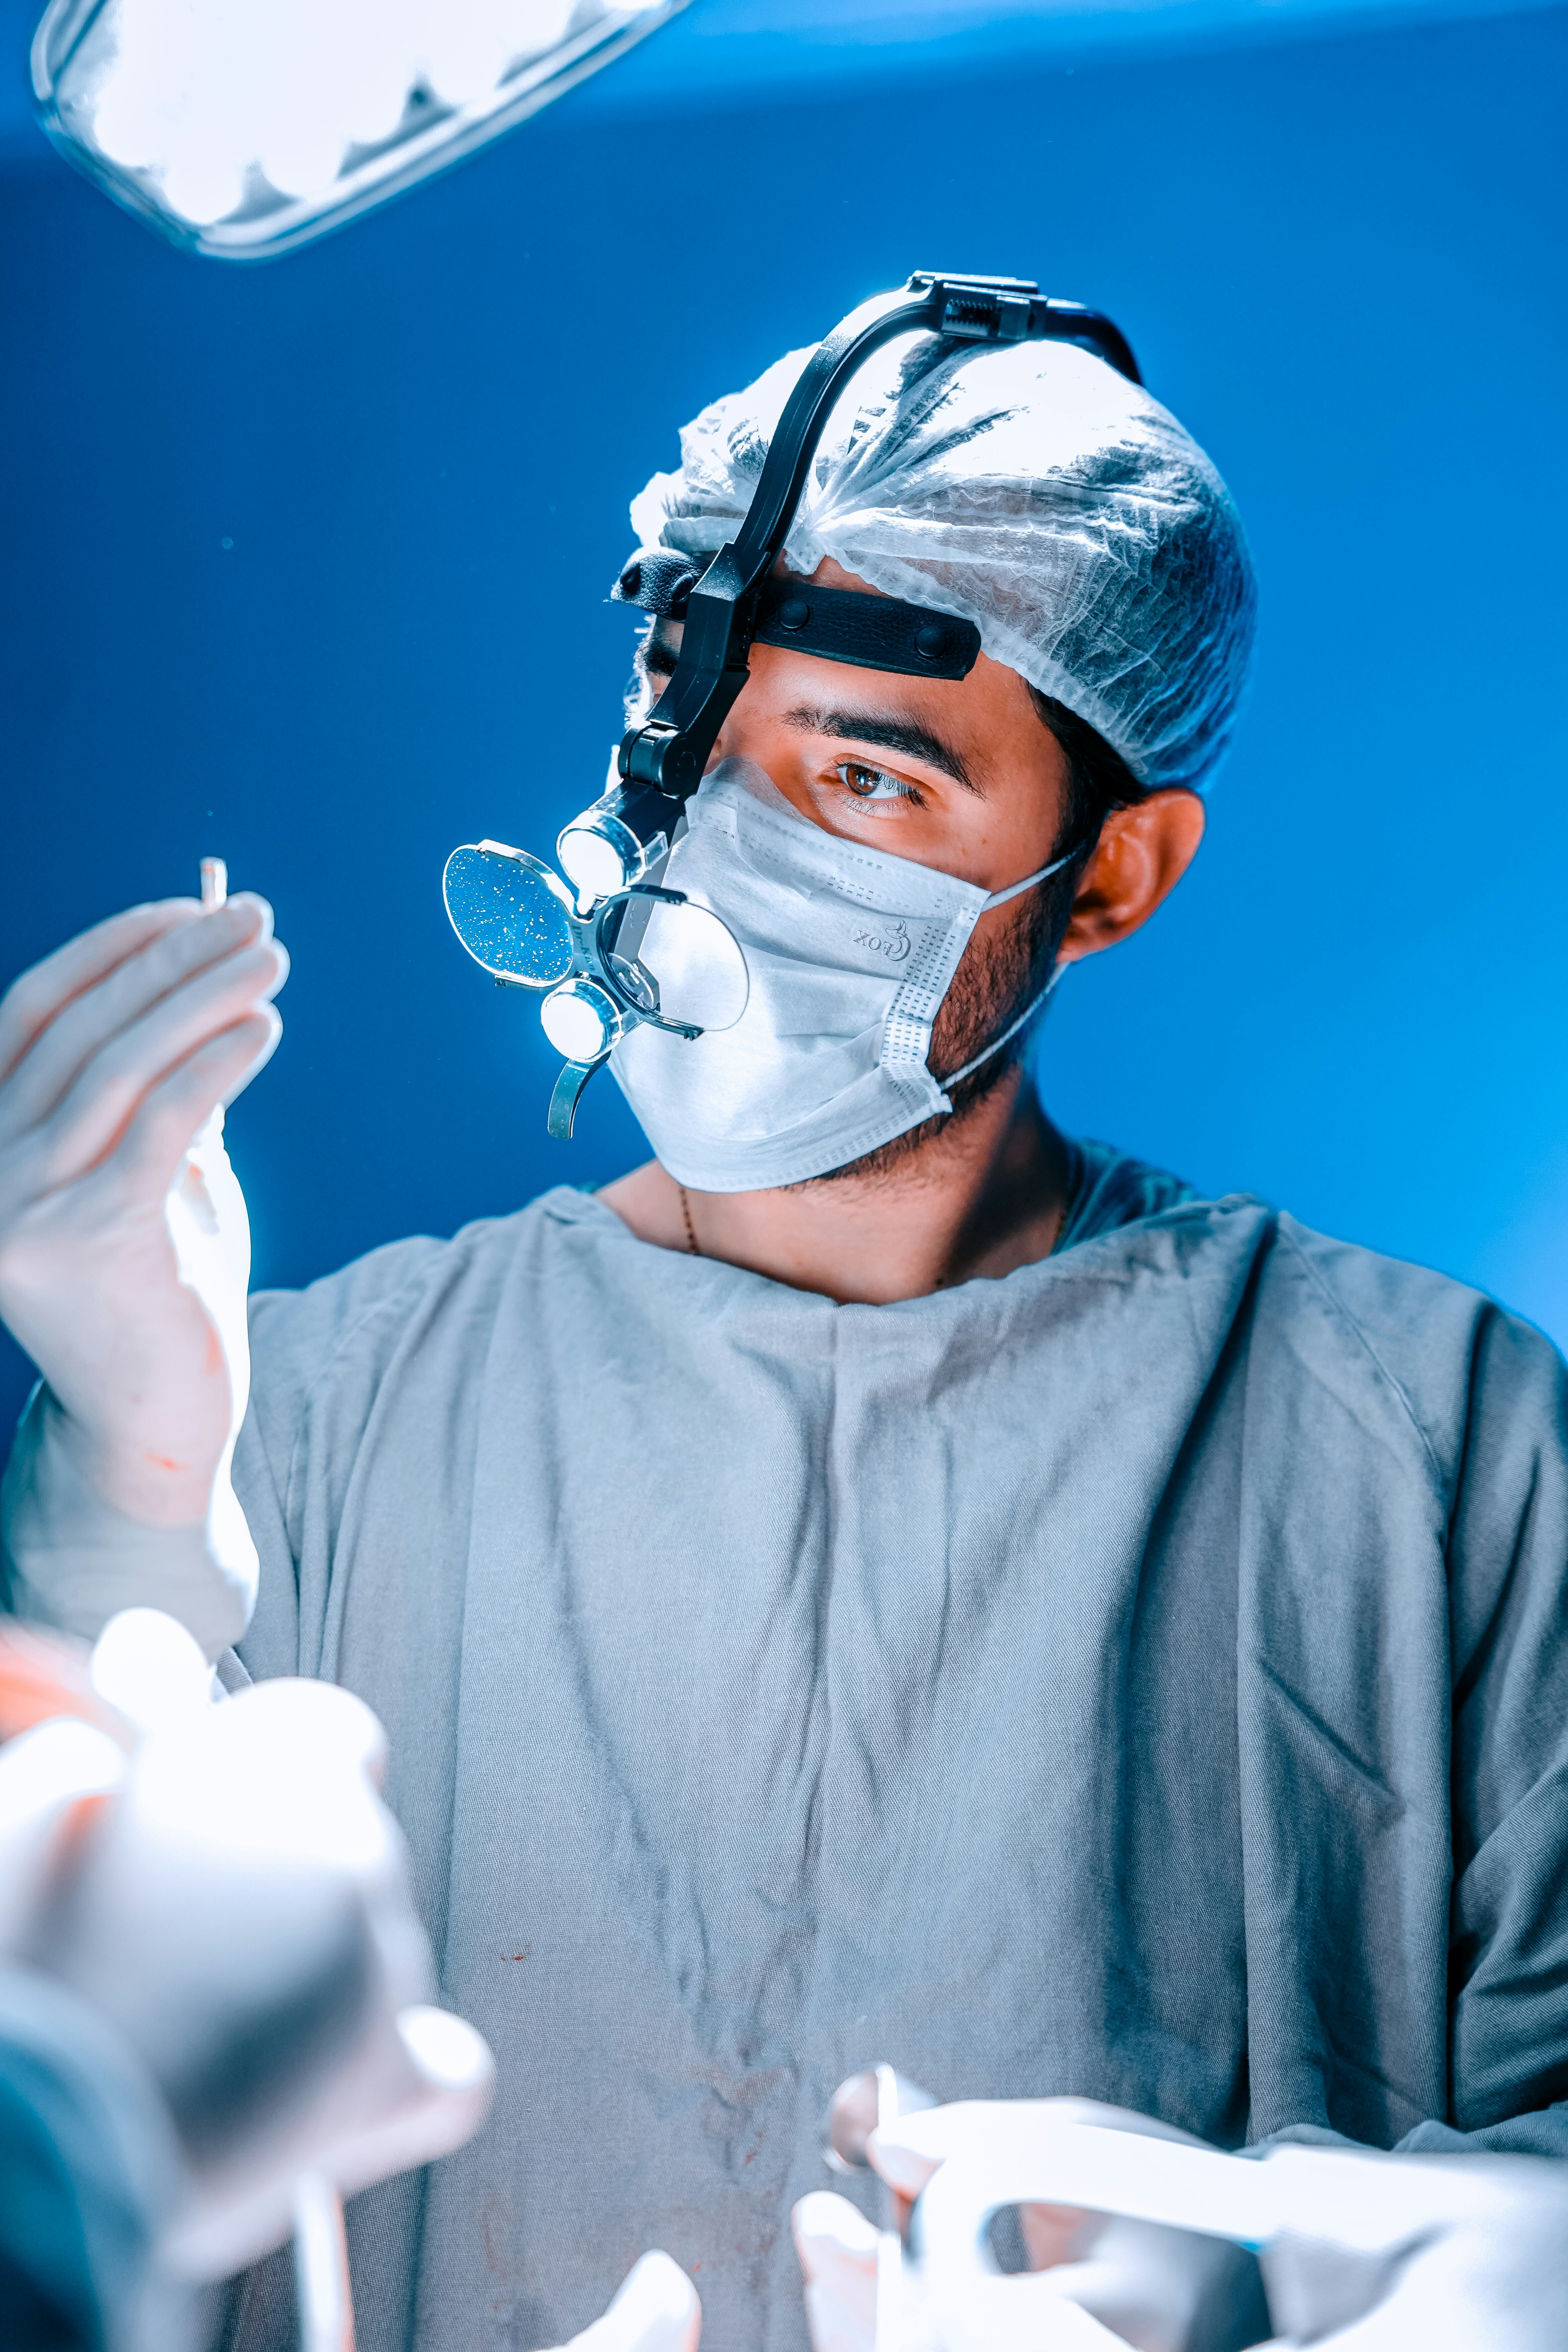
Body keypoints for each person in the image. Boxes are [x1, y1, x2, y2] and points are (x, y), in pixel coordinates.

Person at [2, 318, 1567, 2352]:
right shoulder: (302, 1419)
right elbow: (68, 2101)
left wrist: (1326, 2294)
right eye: (698, 729)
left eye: (864, 774)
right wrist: (120, 1487)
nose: (721, 857)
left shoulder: (1437, 1451)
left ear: (1110, 878)